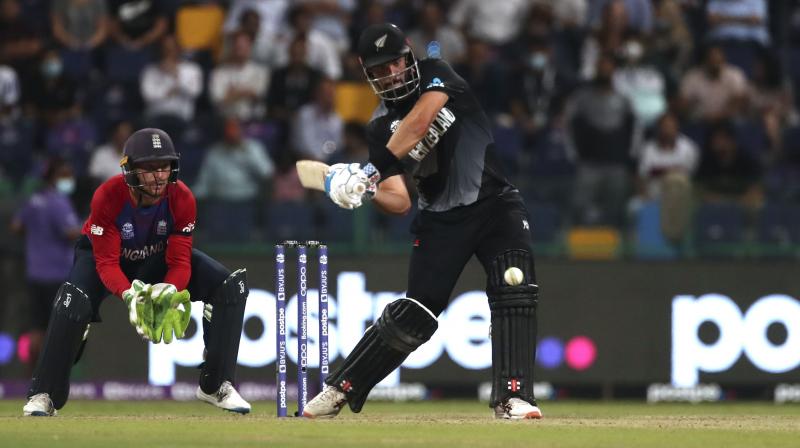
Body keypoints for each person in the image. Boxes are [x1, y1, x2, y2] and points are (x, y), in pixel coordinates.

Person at [305, 23, 543, 420]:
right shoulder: (380, 128)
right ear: (368, 75)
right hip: (441, 221)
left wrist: (366, 172)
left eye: (395, 63)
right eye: (379, 70)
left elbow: (419, 122)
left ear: (409, 56)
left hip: (496, 203)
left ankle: (514, 398)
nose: (391, 74)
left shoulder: (438, 72)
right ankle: (338, 388)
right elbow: (398, 200)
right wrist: (364, 190)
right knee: (415, 314)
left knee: (514, 289)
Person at [23, 128, 251, 416]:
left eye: (165, 167)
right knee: (73, 299)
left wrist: (169, 289)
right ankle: (45, 394)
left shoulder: (182, 198)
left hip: (157, 257)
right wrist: (131, 294)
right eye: (150, 168)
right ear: (130, 169)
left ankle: (216, 385)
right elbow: (106, 263)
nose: (159, 176)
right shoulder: (108, 195)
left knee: (230, 286)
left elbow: (180, 261)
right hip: (101, 258)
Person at [11, 157, 81, 376]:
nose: (70, 179)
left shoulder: (34, 200)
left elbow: (16, 226)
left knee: (36, 329)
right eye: (65, 175)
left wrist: (37, 237)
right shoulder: (58, 202)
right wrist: (90, 228)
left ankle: (33, 377)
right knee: (58, 328)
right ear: (54, 176)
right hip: (57, 274)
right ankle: (51, 376)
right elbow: (70, 232)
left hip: (35, 273)